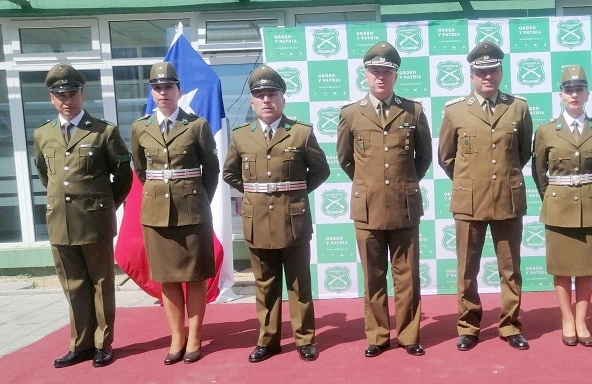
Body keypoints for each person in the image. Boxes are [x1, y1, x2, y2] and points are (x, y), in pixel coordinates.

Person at [223, 65, 330, 363]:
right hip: (257, 222)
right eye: (260, 95)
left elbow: (321, 170)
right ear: (253, 102)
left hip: (293, 220)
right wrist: (256, 193)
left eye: (272, 94)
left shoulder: (301, 133)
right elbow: (229, 173)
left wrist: (293, 194)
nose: (266, 100)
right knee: (265, 285)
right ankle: (267, 341)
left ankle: (304, 339)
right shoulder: (241, 136)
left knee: (298, 284)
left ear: (283, 99)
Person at [336, 41, 432, 357]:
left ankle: (408, 335)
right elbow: (345, 159)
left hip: (404, 206)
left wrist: (402, 185)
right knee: (373, 276)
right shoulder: (351, 114)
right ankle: (378, 335)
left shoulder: (413, 110)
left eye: (387, 72)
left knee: (407, 277)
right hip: (367, 207)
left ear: (395, 75)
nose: (381, 77)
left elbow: (424, 158)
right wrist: (370, 184)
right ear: (366, 74)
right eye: (375, 71)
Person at [33, 63, 132, 368]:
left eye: (72, 92)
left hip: (94, 221)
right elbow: (45, 173)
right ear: (52, 98)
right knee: (73, 283)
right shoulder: (43, 134)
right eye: (60, 94)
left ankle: (103, 344)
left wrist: (104, 205)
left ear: (82, 95)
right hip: (60, 221)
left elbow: (123, 175)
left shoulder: (104, 131)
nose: (67, 99)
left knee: (101, 282)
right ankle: (80, 344)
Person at [438, 42, 533, 351]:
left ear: (501, 72)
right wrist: (471, 181)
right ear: (471, 75)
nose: (487, 77)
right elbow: (446, 157)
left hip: (507, 199)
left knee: (510, 269)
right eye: (481, 72)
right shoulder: (454, 111)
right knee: (467, 269)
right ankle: (468, 326)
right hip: (469, 201)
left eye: (492, 70)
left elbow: (522, 152)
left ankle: (510, 325)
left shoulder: (518, 107)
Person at [130, 62, 220, 364]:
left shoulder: (196, 126)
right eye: (157, 87)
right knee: (167, 278)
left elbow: (212, 169)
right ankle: (176, 337)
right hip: (157, 214)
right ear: (152, 92)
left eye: (168, 87)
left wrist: (197, 199)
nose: (162, 92)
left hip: (192, 209)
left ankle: (194, 336)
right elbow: (141, 170)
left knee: (195, 277)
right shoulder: (140, 127)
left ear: (178, 91)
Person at [531, 66, 592, 347]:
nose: (574, 94)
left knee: (586, 268)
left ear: (587, 94)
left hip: (589, 207)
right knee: (562, 269)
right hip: (558, 207)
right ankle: (567, 319)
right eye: (568, 90)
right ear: (560, 95)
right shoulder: (545, 131)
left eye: (579, 89)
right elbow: (539, 172)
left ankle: (581, 321)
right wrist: (554, 197)